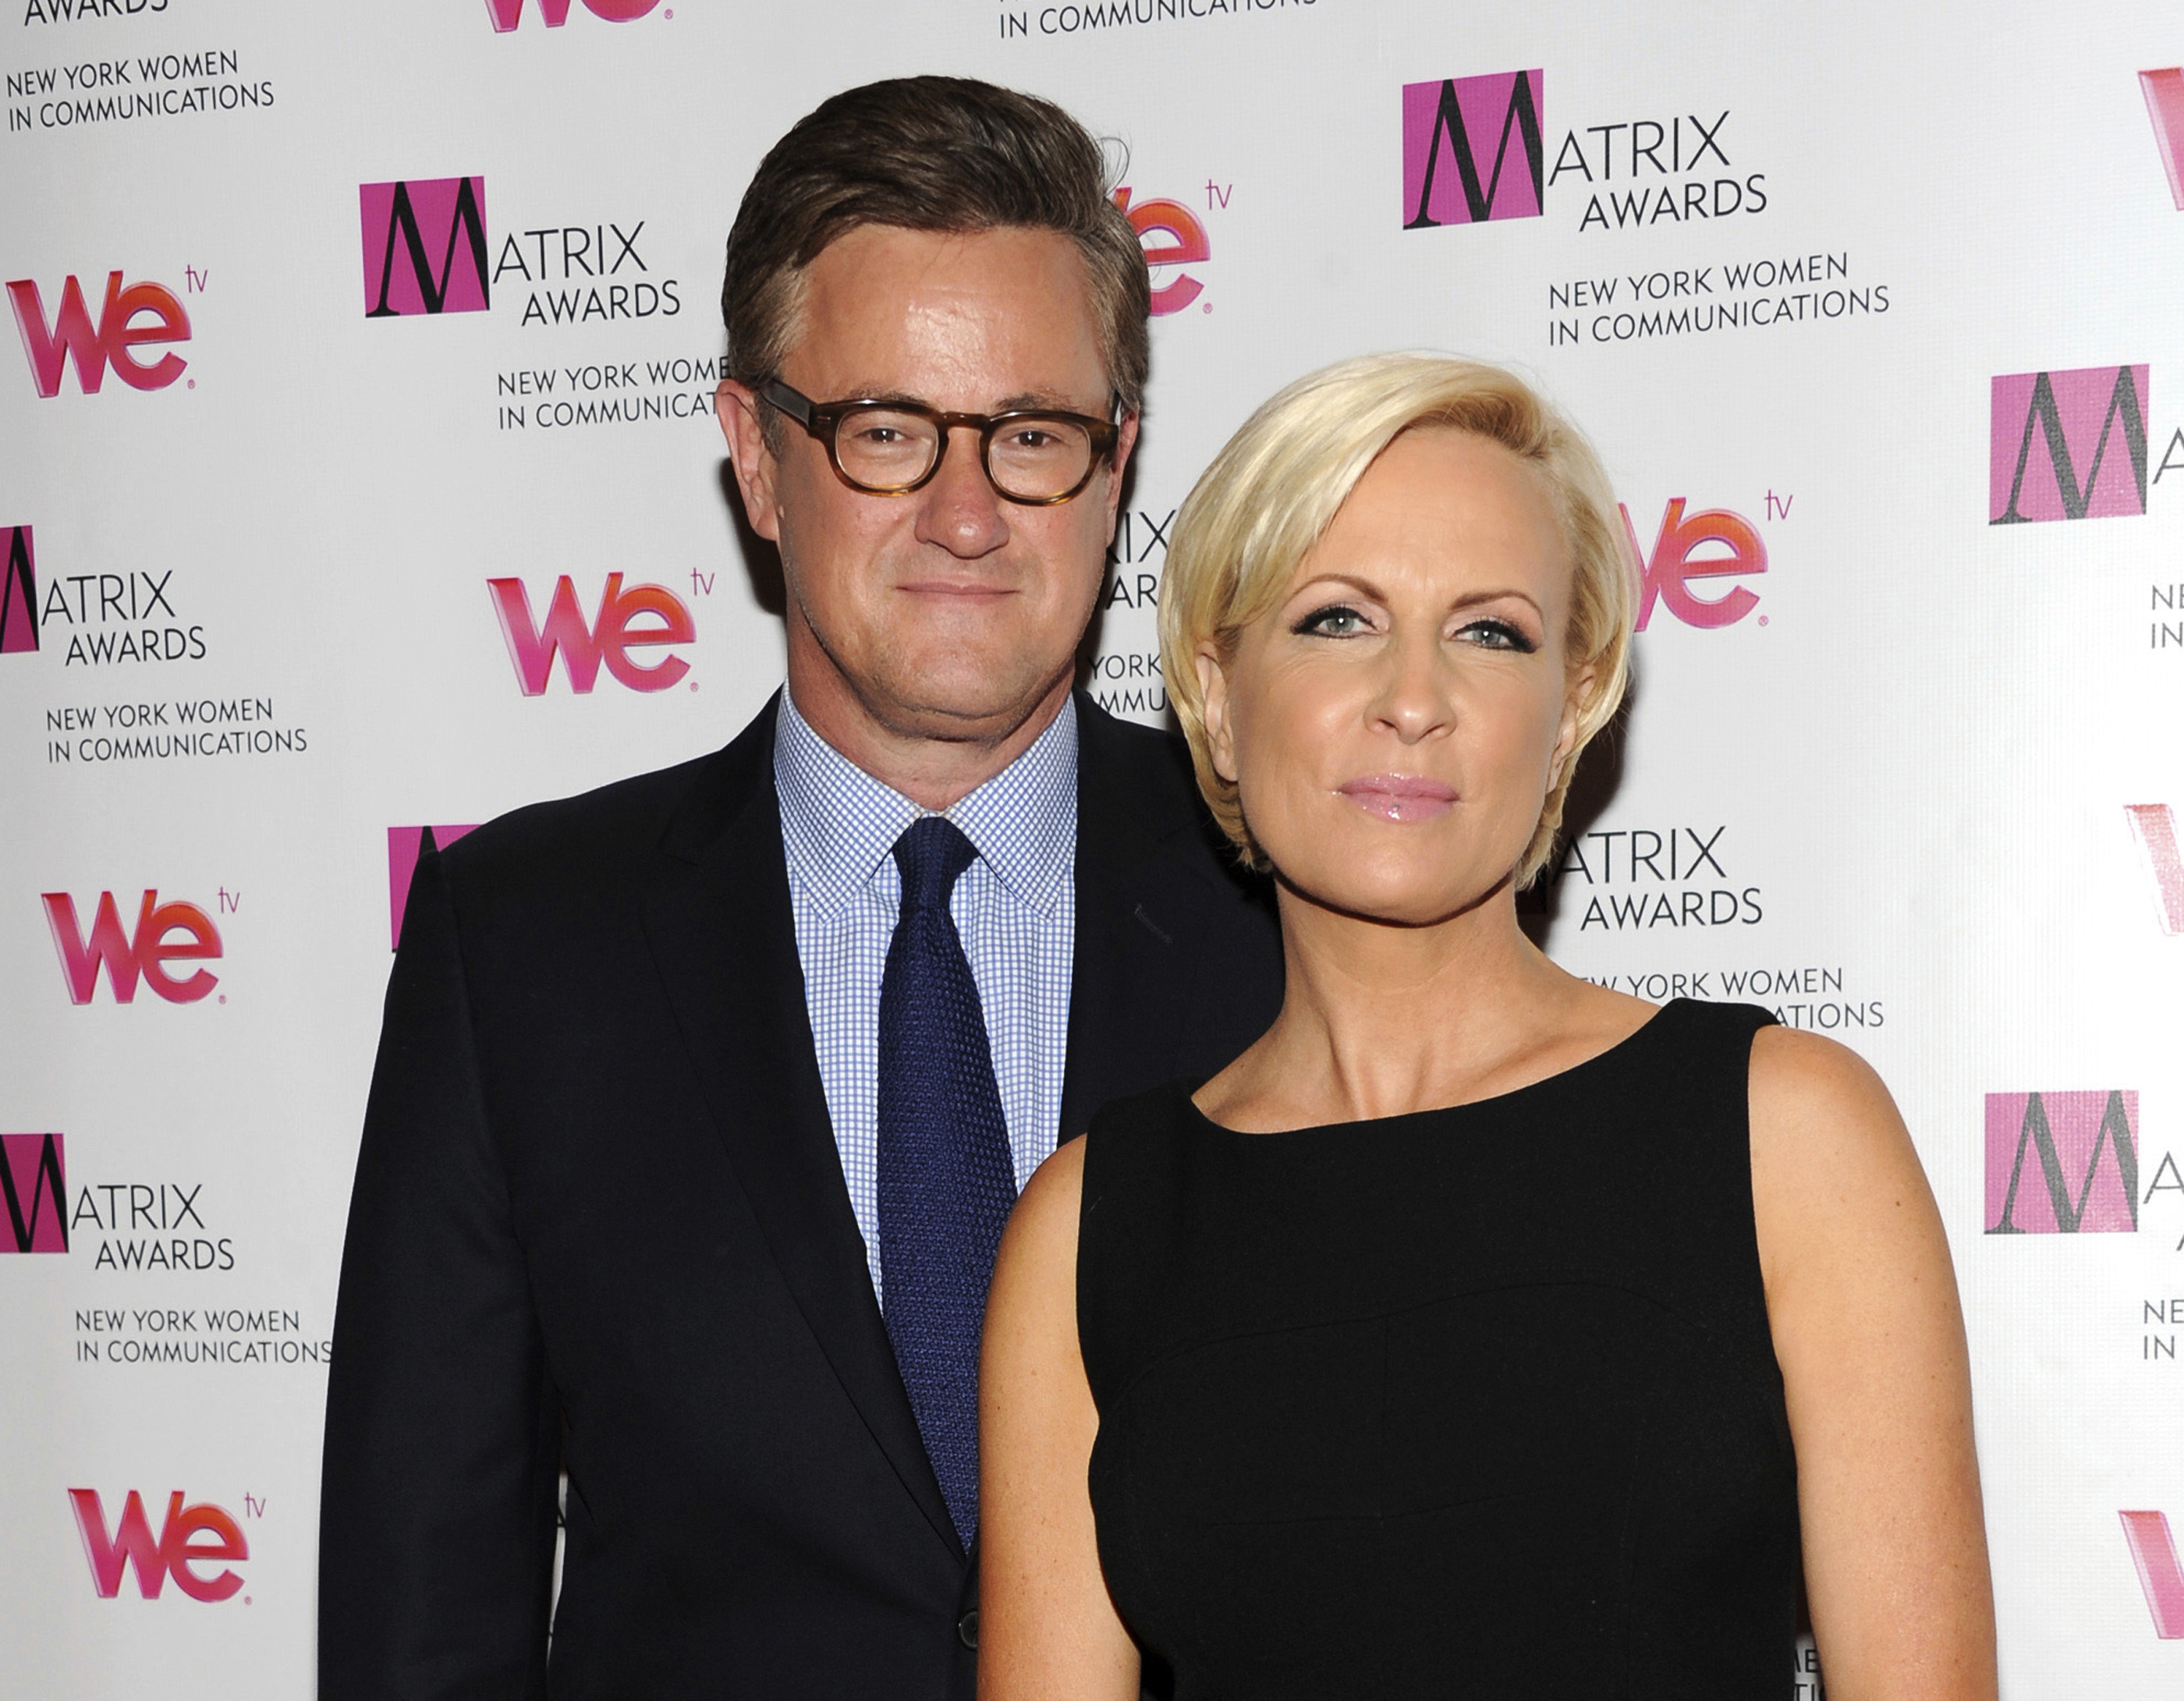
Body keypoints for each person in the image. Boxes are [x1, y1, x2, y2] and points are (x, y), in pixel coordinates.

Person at [318, 77, 1281, 1701]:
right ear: (759, 460)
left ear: (1117, 470)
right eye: (888, 431)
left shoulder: (1287, 901)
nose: (967, 513)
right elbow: (428, 1613)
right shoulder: (523, 943)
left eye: (1032, 435)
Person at [978, 353, 1996, 1699]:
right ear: (1218, 697)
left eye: (1491, 630)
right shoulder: (1091, 1229)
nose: (1415, 695)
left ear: (1573, 708)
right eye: (1338, 618)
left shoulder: (1783, 1137)